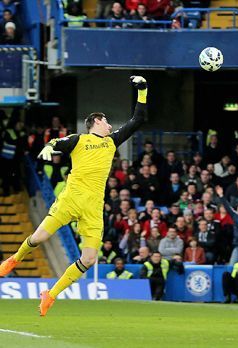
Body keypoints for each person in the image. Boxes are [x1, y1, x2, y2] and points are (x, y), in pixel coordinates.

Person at [0, 76, 148, 316]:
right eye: (107, 121)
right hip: (70, 200)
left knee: (89, 259)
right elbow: (58, 142)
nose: (110, 126)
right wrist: (49, 147)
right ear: (97, 121)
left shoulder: (112, 142)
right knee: (38, 238)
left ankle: (51, 294)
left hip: (93, 208)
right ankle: (13, 260)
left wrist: (142, 89)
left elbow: (138, 119)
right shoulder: (80, 139)